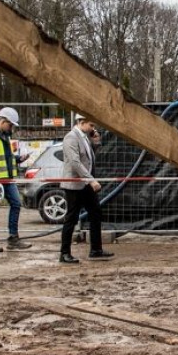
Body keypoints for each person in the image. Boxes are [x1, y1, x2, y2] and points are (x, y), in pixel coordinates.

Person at [59, 113, 114, 264]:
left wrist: (95, 143)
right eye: (91, 125)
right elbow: (75, 162)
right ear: (81, 122)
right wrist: (91, 180)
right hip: (75, 185)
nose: (93, 128)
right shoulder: (71, 138)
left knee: (96, 213)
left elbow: (87, 159)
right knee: (71, 218)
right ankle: (64, 253)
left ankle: (96, 250)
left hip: (85, 184)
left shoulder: (84, 137)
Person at [0, 106, 32, 253]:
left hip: (7, 180)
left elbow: (5, 158)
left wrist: (18, 159)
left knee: (16, 204)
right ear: (2, 121)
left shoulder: (4, 137)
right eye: (10, 125)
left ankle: (13, 239)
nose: (11, 128)